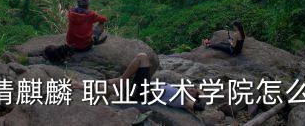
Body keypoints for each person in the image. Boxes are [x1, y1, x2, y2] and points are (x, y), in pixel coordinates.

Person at [73, 52, 206, 114]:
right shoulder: (180, 93)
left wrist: (202, 94)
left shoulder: (184, 100)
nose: (191, 88)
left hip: (144, 94)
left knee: (142, 57)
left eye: (194, 90)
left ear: (194, 97)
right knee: (111, 89)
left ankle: (120, 79)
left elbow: (200, 107)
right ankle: (82, 86)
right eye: (194, 87)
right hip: (144, 90)